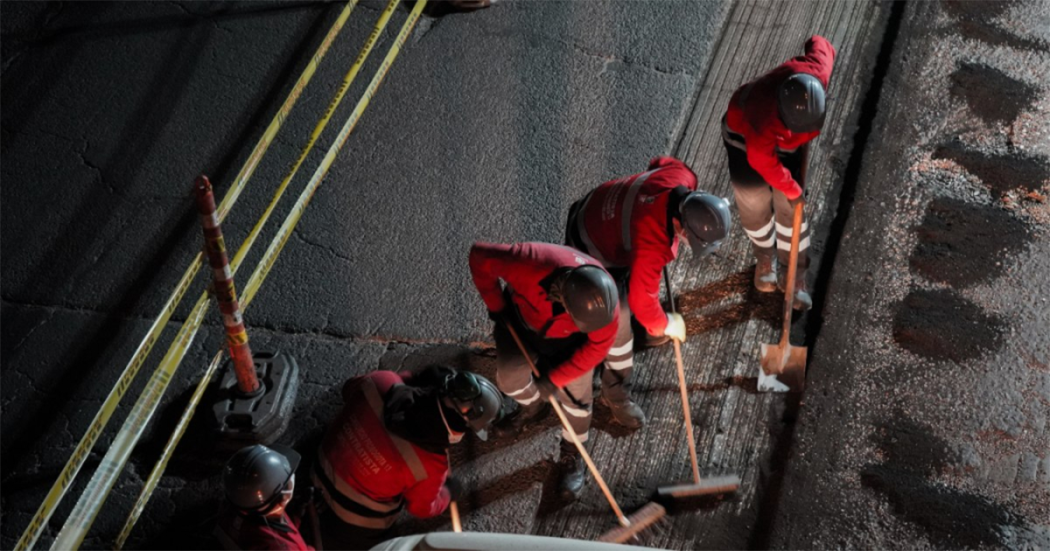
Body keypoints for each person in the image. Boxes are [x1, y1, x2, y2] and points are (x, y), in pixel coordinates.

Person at [564, 156, 731, 428]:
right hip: (590, 246)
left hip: (595, 206)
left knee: (639, 287)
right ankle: (615, 394)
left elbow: (658, 162)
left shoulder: (682, 176)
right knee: (619, 328)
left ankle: (645, 332)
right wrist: (666, 324)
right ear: (681, 228)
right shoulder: (652, 245)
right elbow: (643, 303)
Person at [468, 241, 618, 501]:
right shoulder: (529, 262)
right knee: (509, 380)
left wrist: (555, 379)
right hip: (521, 325)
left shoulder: (604, 308)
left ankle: (573, 451)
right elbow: (479, 256)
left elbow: (596, 348)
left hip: (573, 344)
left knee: (577, 401)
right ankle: (533, 407)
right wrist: (495, 305)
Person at [311, 366, 502, 550]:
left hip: (318, 467)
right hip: (350, 519)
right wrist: (447, 493)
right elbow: (422, 509)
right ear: (462, 428)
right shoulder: (431, 465)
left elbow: (349, 388)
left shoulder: (382, 380)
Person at [722, 35, 837, 310]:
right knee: (754, 204)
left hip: (786, 145)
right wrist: (794, 190)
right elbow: (765, 165)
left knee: (792, 213)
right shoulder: (762, 120)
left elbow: (819, 42)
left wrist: (792, 196)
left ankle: (795, 276)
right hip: (743, 139)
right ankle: (765, 257)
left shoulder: (817, 72)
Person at [215, 444, 313, 551]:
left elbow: (280, 530)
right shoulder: (282, 547)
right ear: (283, 497)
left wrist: (297, 513)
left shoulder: (238, 502)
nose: (292, 476)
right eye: (287, 481)